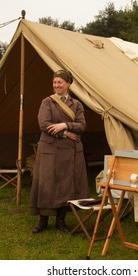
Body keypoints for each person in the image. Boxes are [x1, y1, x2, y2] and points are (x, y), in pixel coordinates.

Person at [29, 69, 89, 233]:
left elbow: (82, 126)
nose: (56, 85)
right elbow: (44, 124)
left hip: (70, 152)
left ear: (68, 84)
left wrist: (65, 125)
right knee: (47, 183)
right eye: (55, 82)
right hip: (50, 149)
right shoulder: (47, 102)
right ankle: (43, 220)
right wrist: (66, 133)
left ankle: (61, 220)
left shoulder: (76, 105)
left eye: (60, 82)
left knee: (65, 184)